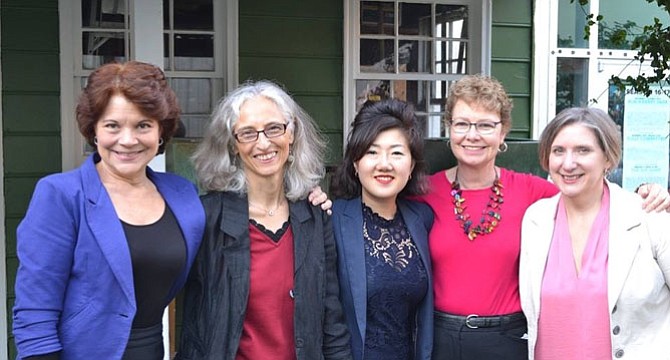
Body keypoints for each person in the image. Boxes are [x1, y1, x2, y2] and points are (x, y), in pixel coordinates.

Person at [416, 74, 670, 360]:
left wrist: (649, 195)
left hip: (507, 340)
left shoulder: (533, 193)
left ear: (503, 133)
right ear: (449, 128)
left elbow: (590, 192)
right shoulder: (422, 194)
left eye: (486, 125)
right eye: (462, 124)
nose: (472, 135)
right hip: (441, 338)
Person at [12, 61, 206, 359]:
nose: (127, 140)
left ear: (161, 132)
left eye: (143, 125)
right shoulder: (62, 194)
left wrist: (303, 191)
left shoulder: (182, 194)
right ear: (94, 131)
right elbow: (35, 312)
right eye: (112, 125)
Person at [177, 80, 352, 359]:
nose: (263, 142)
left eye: (274, 128)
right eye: (247, 133)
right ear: (233, 146)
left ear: (291, 133)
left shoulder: (315, 217)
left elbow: (331, 318)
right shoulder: (207, 218)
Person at [519, 107, 670, 359]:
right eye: (558, 151)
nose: (568, 163)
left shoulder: (647, 215)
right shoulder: (536, 220)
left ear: (608, 158)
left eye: (583, 150)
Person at [330, 99, 434, 360]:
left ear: (411, 166)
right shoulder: (331, 221)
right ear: (355, 163)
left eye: (396, 153)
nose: (384, 164)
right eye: (372, 152)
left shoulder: (422, 219)